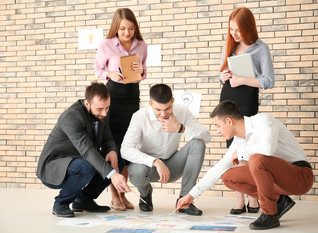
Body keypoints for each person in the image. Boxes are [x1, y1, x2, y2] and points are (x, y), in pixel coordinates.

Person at [177, 100, 314, 230]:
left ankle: (270, 214)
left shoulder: (263, 121)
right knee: (229, 177)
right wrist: (191, 195)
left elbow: (267, 149)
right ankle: (279, 200)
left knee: (256, 160)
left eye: (218, 126)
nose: (218, 131)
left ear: (229, 121)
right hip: (278, 179)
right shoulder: (238, 142)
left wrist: (241, 153)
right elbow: (217, 169)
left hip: (300, 176)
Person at [36, 82, 131, 217]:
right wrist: (113, 175)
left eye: (107, 108)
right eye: (100, 109)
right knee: (86, 167)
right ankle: (61, 203)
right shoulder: (71, 117)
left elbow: (107, 136)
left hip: (80, 159)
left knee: (117, 162)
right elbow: (87, 151)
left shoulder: (103, 111)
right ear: (87, 104)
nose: (104, 113)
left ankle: (83, 200)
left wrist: (111, 150)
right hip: (55, 164)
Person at [121, 84, 211, 215]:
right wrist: (155, 162)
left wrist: (181, 128)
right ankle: (145, 195)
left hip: (172, 166)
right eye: (158, 109)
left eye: (168, 108)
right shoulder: (139, 116)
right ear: (150, 103)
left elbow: (207, 136)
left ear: (173, 101)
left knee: (198, 144)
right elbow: (125, 149)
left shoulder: (181, 111)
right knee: (136, 169)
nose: (163, 114)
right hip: (148, 168)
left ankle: (185, 201)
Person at [219, 7, 275, 215]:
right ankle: (239, 201)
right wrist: (222, 77)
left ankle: (254, 200)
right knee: (232, 149)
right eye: (231, 29)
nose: (234, 34)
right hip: (227, 98)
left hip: (247, 100)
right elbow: (220, 74)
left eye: (238, 30)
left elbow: (268, 81)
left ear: (248, 28)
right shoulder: (229, 46)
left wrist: (243, 80)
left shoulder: (261, 49)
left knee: (249, 148)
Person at [94, 8, 147, 211]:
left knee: (128, 146)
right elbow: (97, 69)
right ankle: (115, 195)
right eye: (123, 28)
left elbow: (144, 72)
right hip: (113, 97)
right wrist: (110, 74)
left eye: (131, 28)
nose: (127, 32)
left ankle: (123, 194)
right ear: (116, 27)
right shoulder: (106, 44)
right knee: (114, 146)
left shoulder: (141, 45)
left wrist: (141, 71)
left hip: (132, 98)